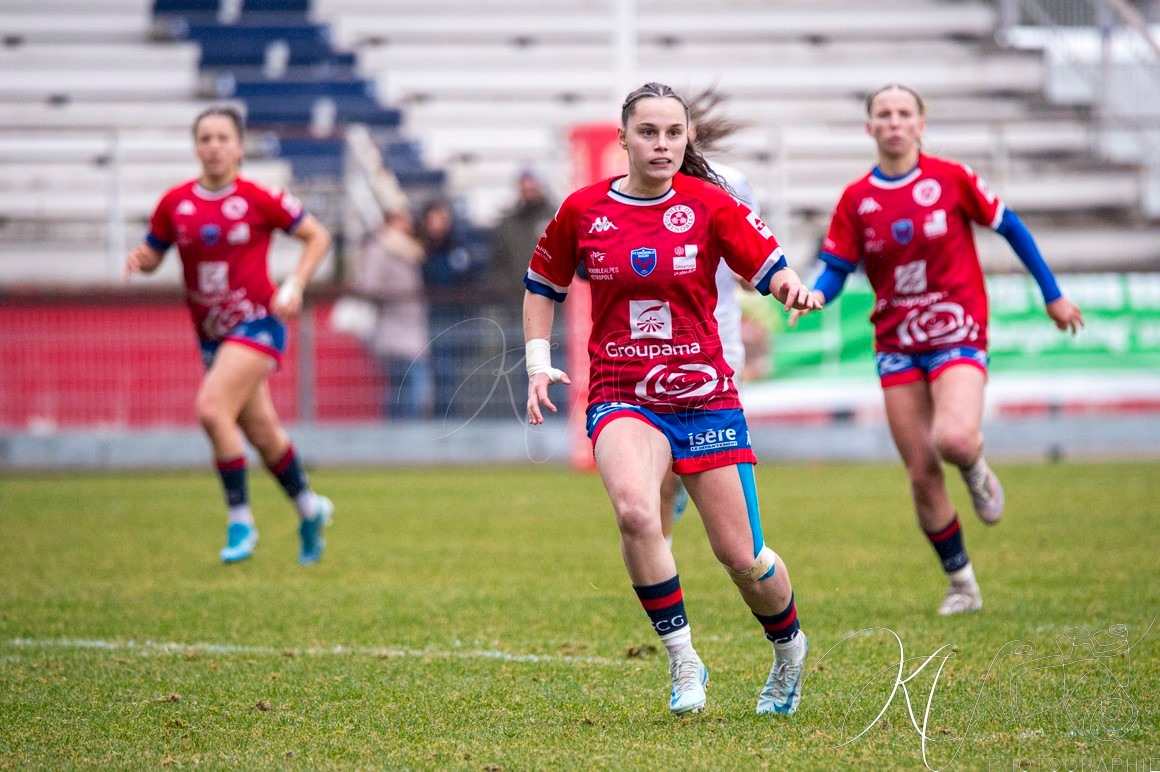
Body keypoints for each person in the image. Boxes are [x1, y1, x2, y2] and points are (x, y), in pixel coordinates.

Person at [524, 82, 822, 716]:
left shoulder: (711, 204)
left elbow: (768, 266)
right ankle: (685, 661)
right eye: (648, 133)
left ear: (688, 139)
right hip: (620, 391)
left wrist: (793, 288)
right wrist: (537, 363)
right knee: (637, 512)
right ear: (624, 138)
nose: (661, 144)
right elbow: (541, 282)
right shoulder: (582, 210)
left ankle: (789, 649)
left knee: (742, 556)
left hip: (705, 395)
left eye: (672, 133)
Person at [789, 84, 1084, 615]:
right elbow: (836, 269)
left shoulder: (952, 178)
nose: (895, 122)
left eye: (905, 113)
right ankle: (962, 584)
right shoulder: (857, 199)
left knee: (952, 437)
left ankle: (975, 469)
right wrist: (814, 296)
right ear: (870, 128)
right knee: (922, 471)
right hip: (896, 340)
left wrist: (1054, 294)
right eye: (884, 114)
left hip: (957, 328)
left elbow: (1010, 226)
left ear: (922, 124)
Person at [125, 106, 335, 566]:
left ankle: (241, 520)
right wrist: (145, 260)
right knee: (261, 432)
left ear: (239, 147)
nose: (214, 146)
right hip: (212, 336)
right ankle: (310, 508)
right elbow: (158, 253)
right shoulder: (174, 203)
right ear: (196, 146)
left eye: (222, 138)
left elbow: (318, 236)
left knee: (211, 408)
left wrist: (295, 284)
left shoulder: (259, 198)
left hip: (258, 322)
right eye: (205, 138)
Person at [660, 88, 762, 547]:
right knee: (656, 465)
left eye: (676, 130)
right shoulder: (631, 187)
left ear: (691, 134)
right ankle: (657, 566)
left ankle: (751, 554)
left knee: (714, 450)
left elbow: (751, 261)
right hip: (653, 343)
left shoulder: (731, 182)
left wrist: (778, 284)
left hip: (717, 338)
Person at [358, 207, 434, 420]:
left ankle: (398, 433)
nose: (407, 224)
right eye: (401, 219)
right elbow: (369, 287)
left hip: (410, 326)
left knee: (401, 385)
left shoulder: (408, 249)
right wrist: (397, 295)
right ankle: (405, 434)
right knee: (412, 384)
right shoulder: (380, 248)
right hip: (392, 327)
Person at [417, 199, 482, 419]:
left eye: (441, 219)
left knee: (449, 374)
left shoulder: (459, 247)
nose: (437, 224)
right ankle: (438, 419)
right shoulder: (420, 250)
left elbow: (470, 280)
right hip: (428, 320)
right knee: (435, 374)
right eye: (433, 219)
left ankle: (448, 419)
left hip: (455, 319)